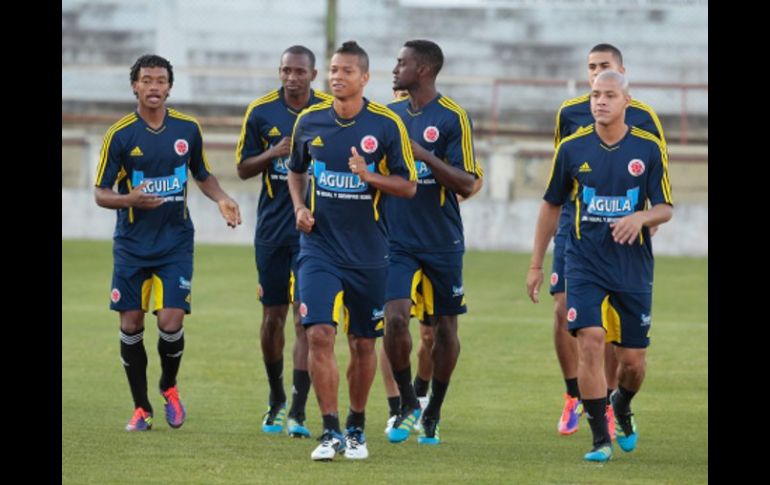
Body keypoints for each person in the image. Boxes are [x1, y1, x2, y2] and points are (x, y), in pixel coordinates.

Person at [527, 70, 673, 461]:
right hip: (583, 260)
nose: (600, 102)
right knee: (590, 342)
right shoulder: (572, 149)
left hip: (631, 266)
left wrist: (641, 219)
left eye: (609, 95)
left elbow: (665, 208)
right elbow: (550, 205)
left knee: (632, 362)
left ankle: (621, 405)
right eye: (595, 95)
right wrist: (536, 264)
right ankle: (598, 439)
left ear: (627, 101)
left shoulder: (648, 149)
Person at [94, 54, 241, 432]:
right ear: (135, 86)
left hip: (175, 241)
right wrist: (129, 200)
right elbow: (100, 192)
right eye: (147, 80)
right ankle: (141, 407)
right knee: (130, 325)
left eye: (161, 80)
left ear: (169, 87)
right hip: (132, 244)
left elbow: (202, 174)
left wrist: (222, 197)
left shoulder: (187, 129)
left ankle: (168, 385)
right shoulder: (120, 135)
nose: (154, 86)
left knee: (171, 319)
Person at [287, 40, 417, 461]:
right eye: (333, 70)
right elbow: (295, 171)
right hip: (318, 248)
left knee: (363, 344)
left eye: (346, 71)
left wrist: (370, 176)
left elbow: (408, 185)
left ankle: (357, 428)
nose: (337, 77)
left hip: (369, 253)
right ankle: (330, 431)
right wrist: (301, 206)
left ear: (364, 78)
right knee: (319, 333)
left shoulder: (385, 125)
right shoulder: (309, 122)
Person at [383, 39, 482, 445]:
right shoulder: (387, 117)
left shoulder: (453, 117)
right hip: (395, 238)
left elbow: (467, 181)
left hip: (441, 238)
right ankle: (407, 403)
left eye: (401, 62)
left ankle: (433, 411)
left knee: (444, 329)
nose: (394, 68)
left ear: (423, 70)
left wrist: (425, 157)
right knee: (393, 318)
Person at [235, 45, 332, 438]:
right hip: (273, 230)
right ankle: (275, 397)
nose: (291, 77)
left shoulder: (329, 111)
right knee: (272, 318)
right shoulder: (260, 112)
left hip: (315, 232)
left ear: (313, 75)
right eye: (285, 71)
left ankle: (297, 408)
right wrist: (272, 153)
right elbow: (242, 167)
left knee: (305, 320)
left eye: (299, 71)